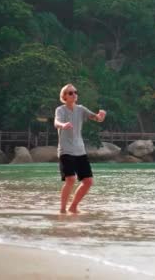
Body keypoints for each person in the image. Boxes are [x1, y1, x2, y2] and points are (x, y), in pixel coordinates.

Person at [54, 83, 106, 214]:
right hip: (65, 150)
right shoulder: (60, 110)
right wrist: (63, 124)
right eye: (70, 93)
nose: (74, 94)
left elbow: (96, 118)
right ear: (64, 96)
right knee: (70, 179)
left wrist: (101, 116)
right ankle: (62, 210)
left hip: (80, 150)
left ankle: (73, 207)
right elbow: (56, 122)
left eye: (75, 92)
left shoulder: (81, 109)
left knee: (88, 181)